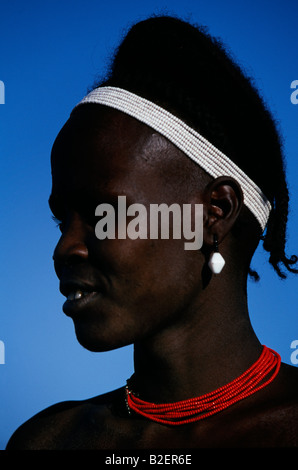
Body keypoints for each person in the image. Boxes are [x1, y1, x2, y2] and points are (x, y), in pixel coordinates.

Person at [6, 15, 298, 449]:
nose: (64, 247)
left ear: (215, 211)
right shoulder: (46, 441)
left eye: (107, 213)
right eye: (61, 219)